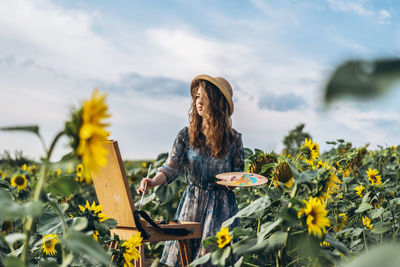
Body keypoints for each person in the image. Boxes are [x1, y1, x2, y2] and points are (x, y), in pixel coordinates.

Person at [136, 74, 244, 266]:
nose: (198, 101)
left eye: (204, 97)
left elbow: (238, 176)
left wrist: (232, 184)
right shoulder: (186, 135)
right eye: (196, 96)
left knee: (213, 260)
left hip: (221, 209)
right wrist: (153, 181)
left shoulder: (233, 139)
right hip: (191, 205)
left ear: (217, 102)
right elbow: (171, 167)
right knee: (182, 259)